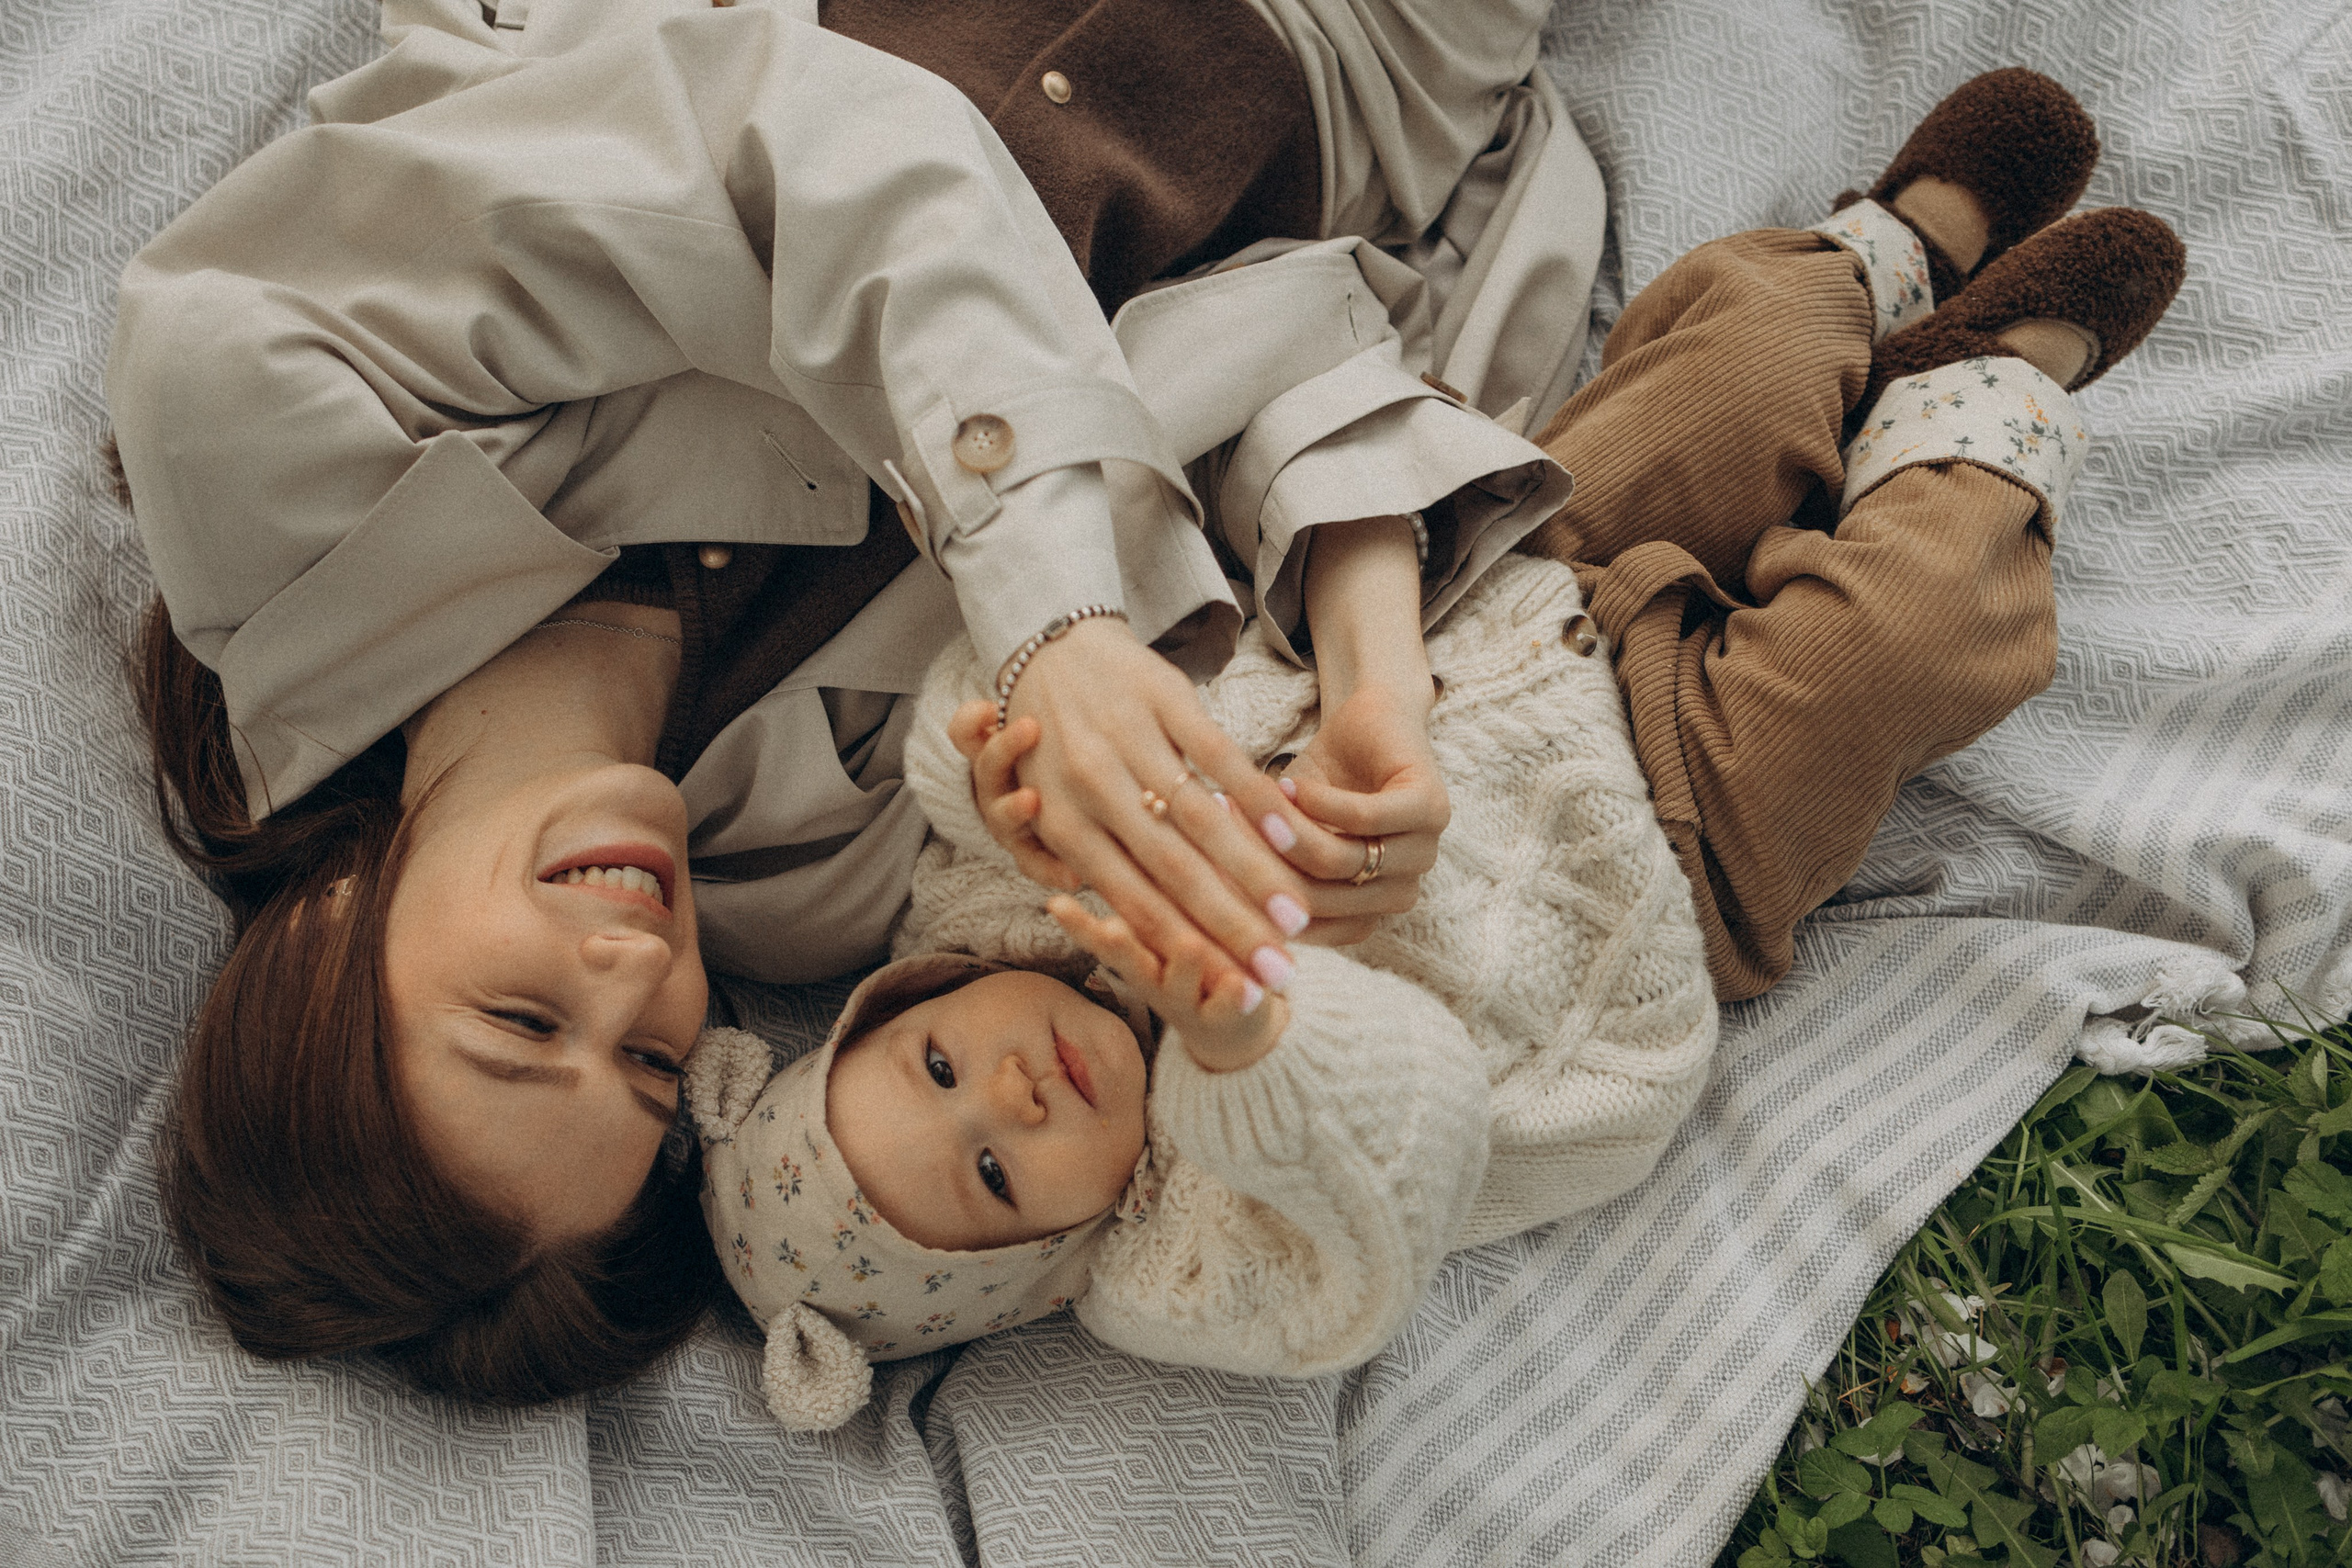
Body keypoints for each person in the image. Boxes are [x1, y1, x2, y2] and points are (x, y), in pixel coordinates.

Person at [113, 0, 1584, 1399]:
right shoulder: (816, 880)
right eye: (644, 1061)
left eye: (520, 1012)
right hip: (1361, 84)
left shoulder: (255, 432)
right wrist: (1367, 695)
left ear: (316, 935)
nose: (634, 972)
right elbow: (1275, 362)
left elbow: (806, 140)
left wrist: (1051, 620)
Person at [687, 540, 1721, 1430]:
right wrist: (1250, 1044)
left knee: (1749, 346)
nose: (1010, 1092)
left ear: (914, 995)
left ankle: (1864, 307)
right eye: (996, 1174)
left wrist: (1004, 761)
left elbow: (998, 687)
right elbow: (1400, 1173)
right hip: (1655, 876)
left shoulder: (984, 917)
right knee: (1861, 639)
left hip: (1479, 620)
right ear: (1040, 1269)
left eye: (939, 1063)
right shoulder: (1173, 1270)